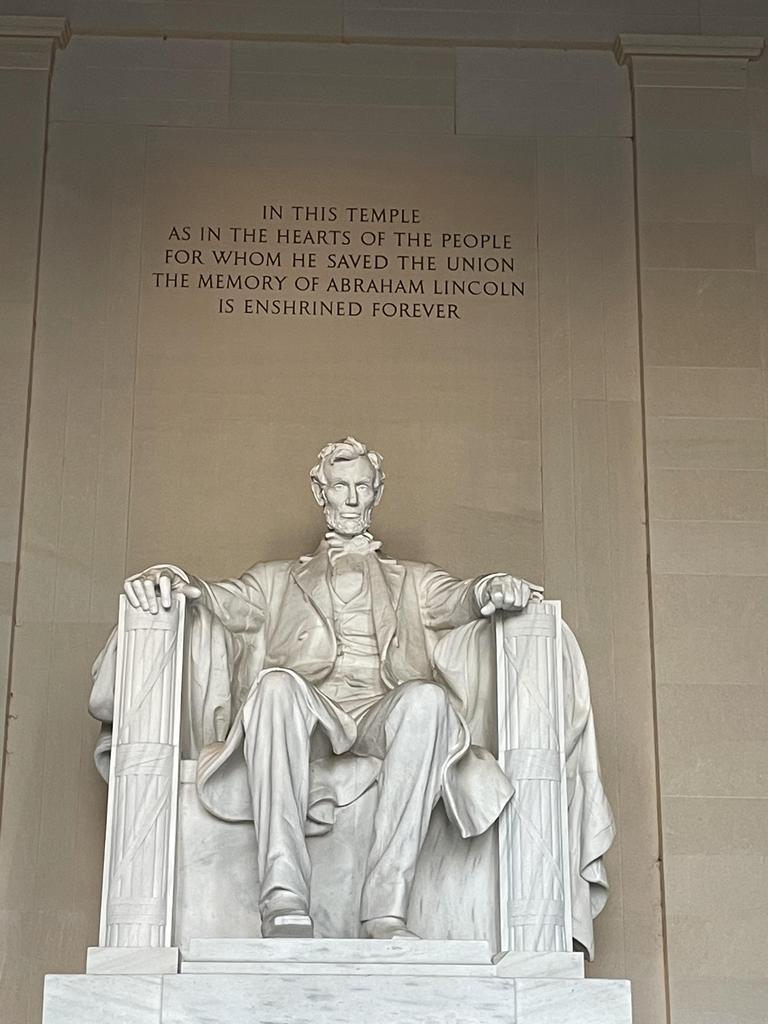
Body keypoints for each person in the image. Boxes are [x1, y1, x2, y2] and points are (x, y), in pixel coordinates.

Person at [121, 437, 539, 940]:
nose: (352, 499)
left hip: (381, 713)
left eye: (363, 486)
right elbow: (217, 598)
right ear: (321, 492)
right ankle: (283, 897)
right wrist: (171, 576)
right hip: (310, 713)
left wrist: (493, 585)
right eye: (340, 486)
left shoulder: (413, 580)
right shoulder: (276, 580)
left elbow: (461, 598)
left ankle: (385, 910)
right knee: (274, 686)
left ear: (377, 492)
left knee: (428, 700)